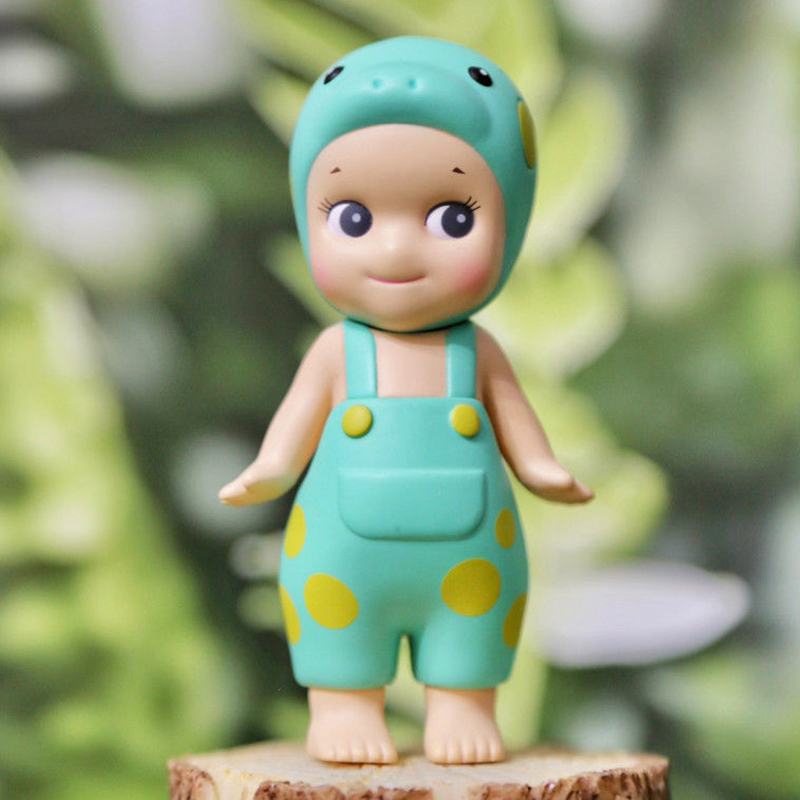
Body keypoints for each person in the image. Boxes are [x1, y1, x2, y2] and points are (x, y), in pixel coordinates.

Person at [220, 36, 593, 766]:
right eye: (353, 219)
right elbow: (292, 432)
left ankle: (463, 703)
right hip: (342, 553)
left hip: (470, 552)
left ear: (510, 227)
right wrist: (268, 471)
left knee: (473, 621)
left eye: (453, 218)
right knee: (337, 621)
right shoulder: (337, 353)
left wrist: (544, 471)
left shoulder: (478, 353)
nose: (394, 252)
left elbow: (521, 433)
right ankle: (342, 705)